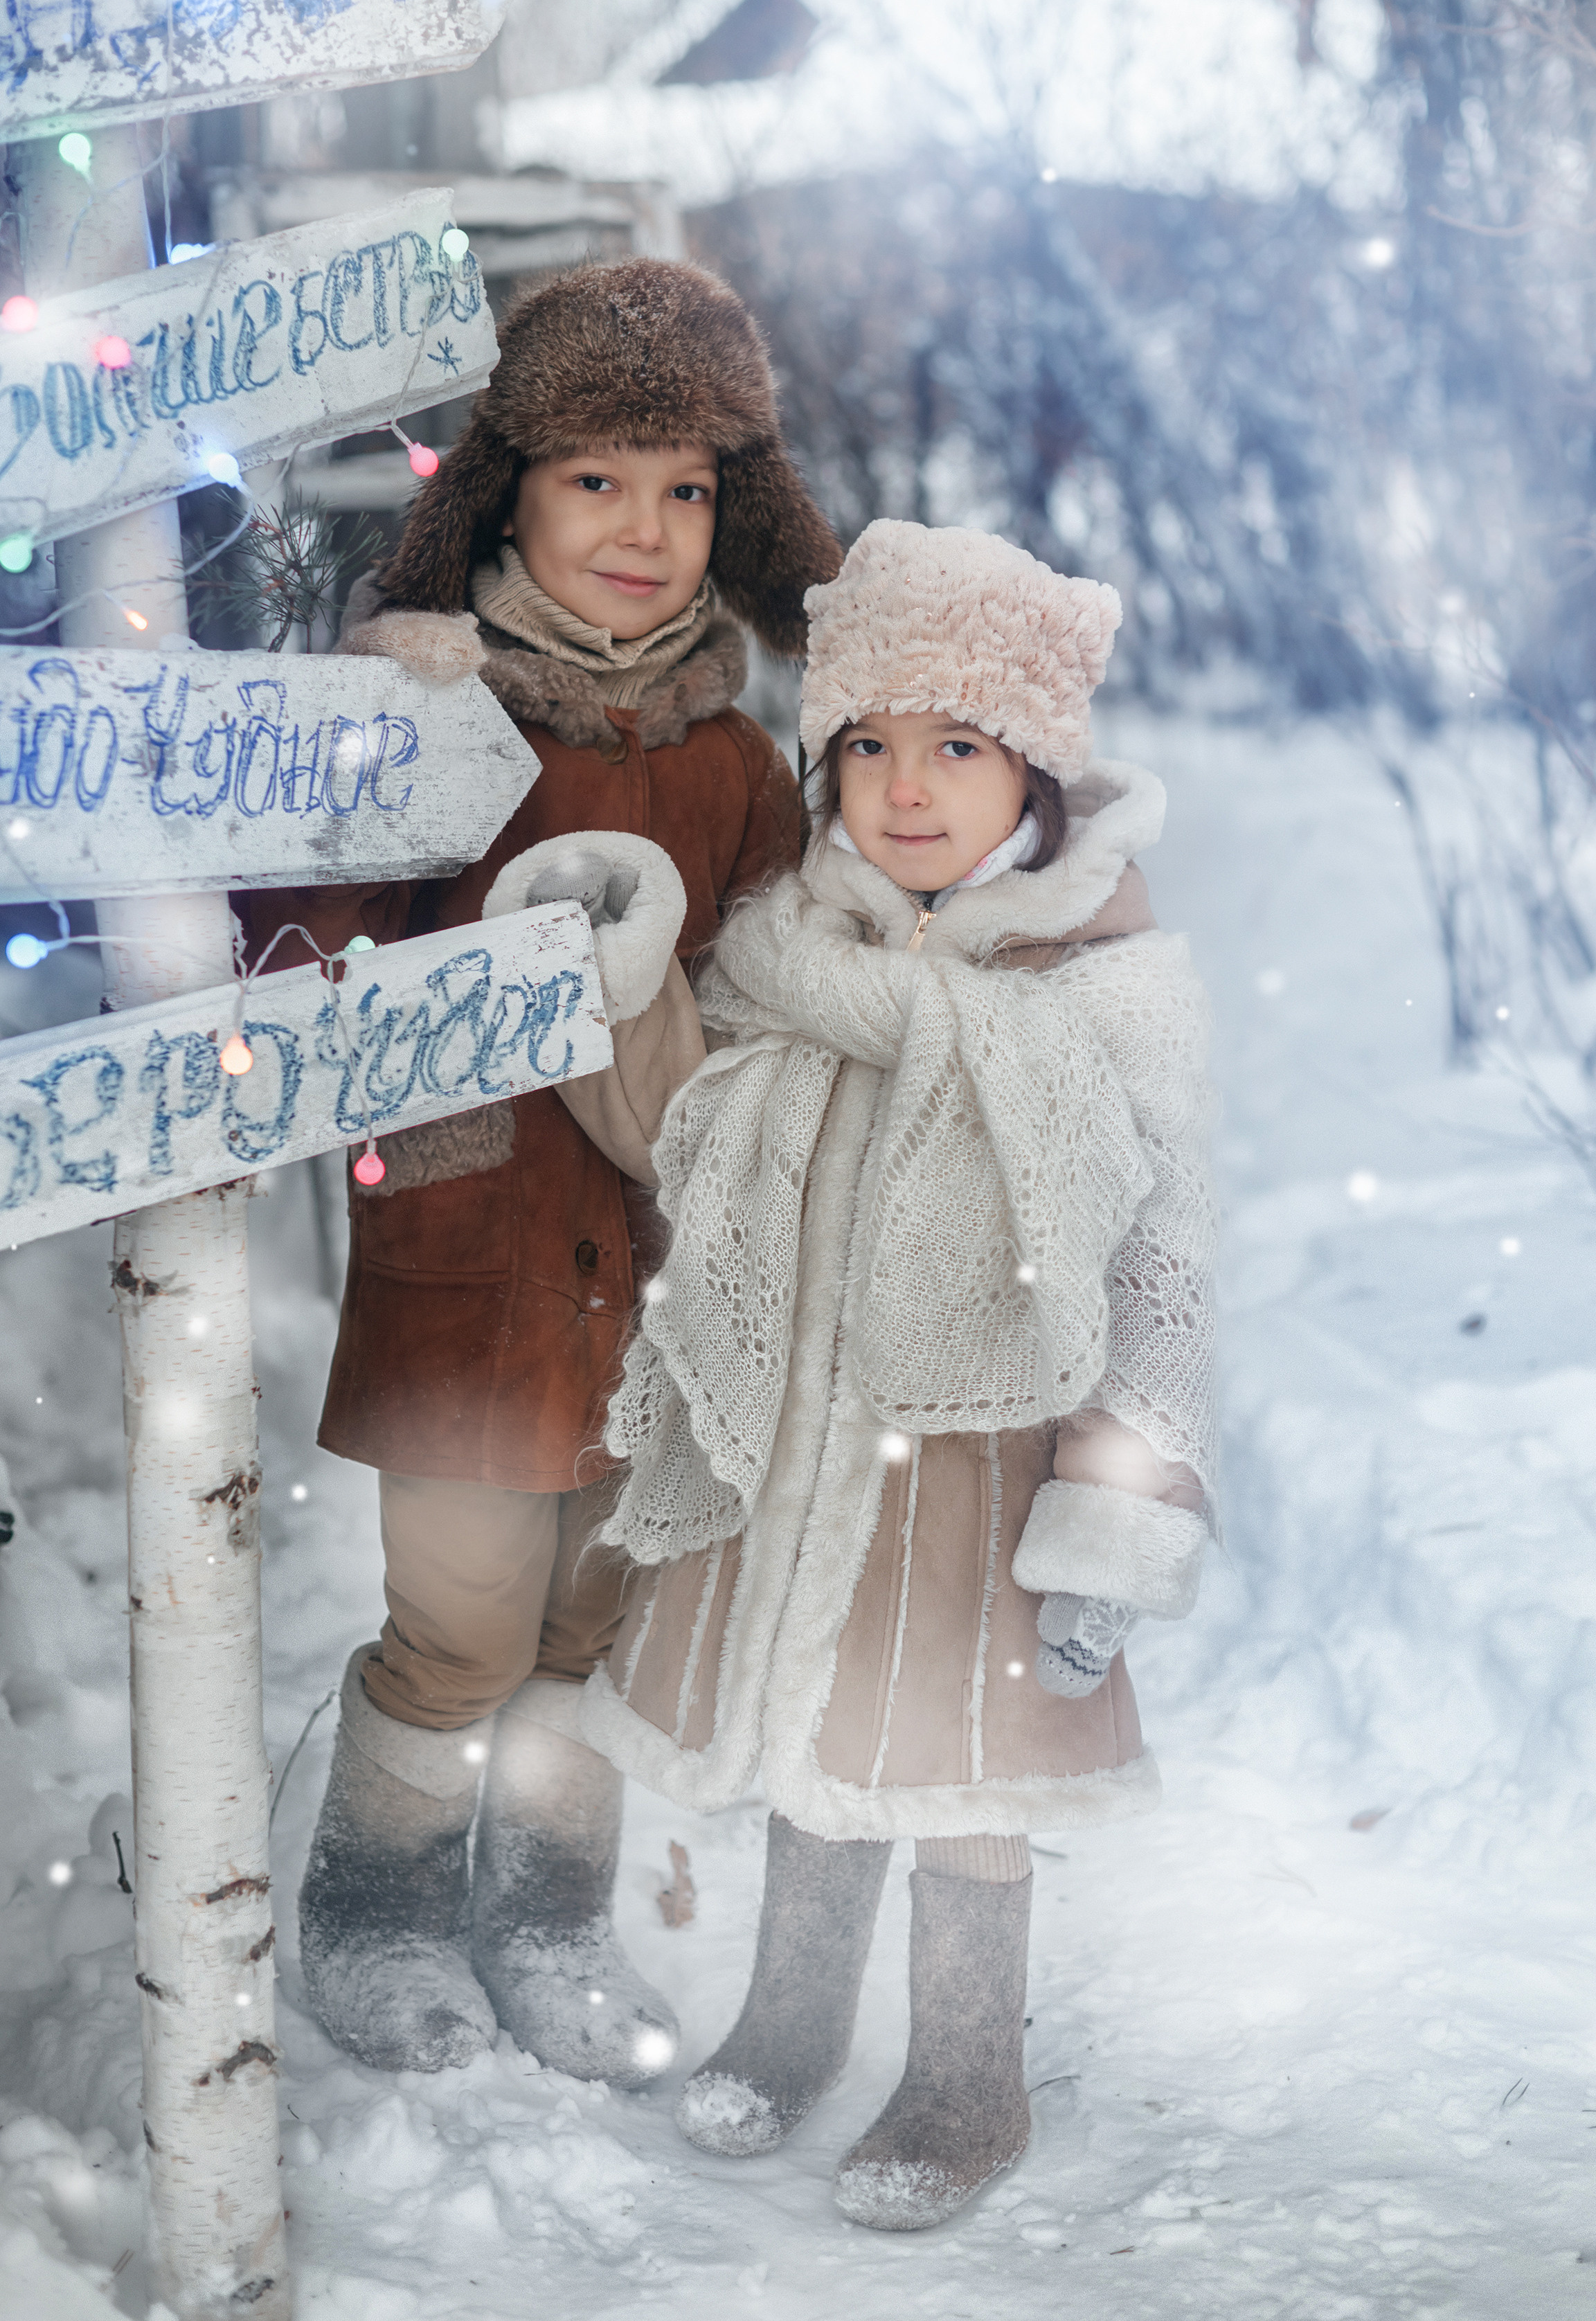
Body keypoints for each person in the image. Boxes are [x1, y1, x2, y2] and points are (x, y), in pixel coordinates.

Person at [554, 517, 1217, 2226]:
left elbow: (1160, 1267)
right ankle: (789, 2018)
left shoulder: (1104, 988)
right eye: (866, 745)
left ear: (1039, 779)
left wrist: (1119, 1507)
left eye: (957, 748)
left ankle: (965, 2074)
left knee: (960, 1769)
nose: (903, 790)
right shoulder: (793, 955)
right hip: (803, 1442)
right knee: (813, 1737)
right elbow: (705, 1150)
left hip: (986, 1469)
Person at [236, 258, 839, 2084]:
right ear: (507, 490)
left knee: (602, 1621)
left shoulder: (740, 764)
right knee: (464, 1618)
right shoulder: (435, 719)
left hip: (663, 1293)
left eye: (680, 488)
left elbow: (783, 1004)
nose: (643, 530)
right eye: (596, 481)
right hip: (469, 1262)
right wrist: (370, 747)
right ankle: (373, 1898)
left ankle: (550, 1910)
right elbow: (287, 964)